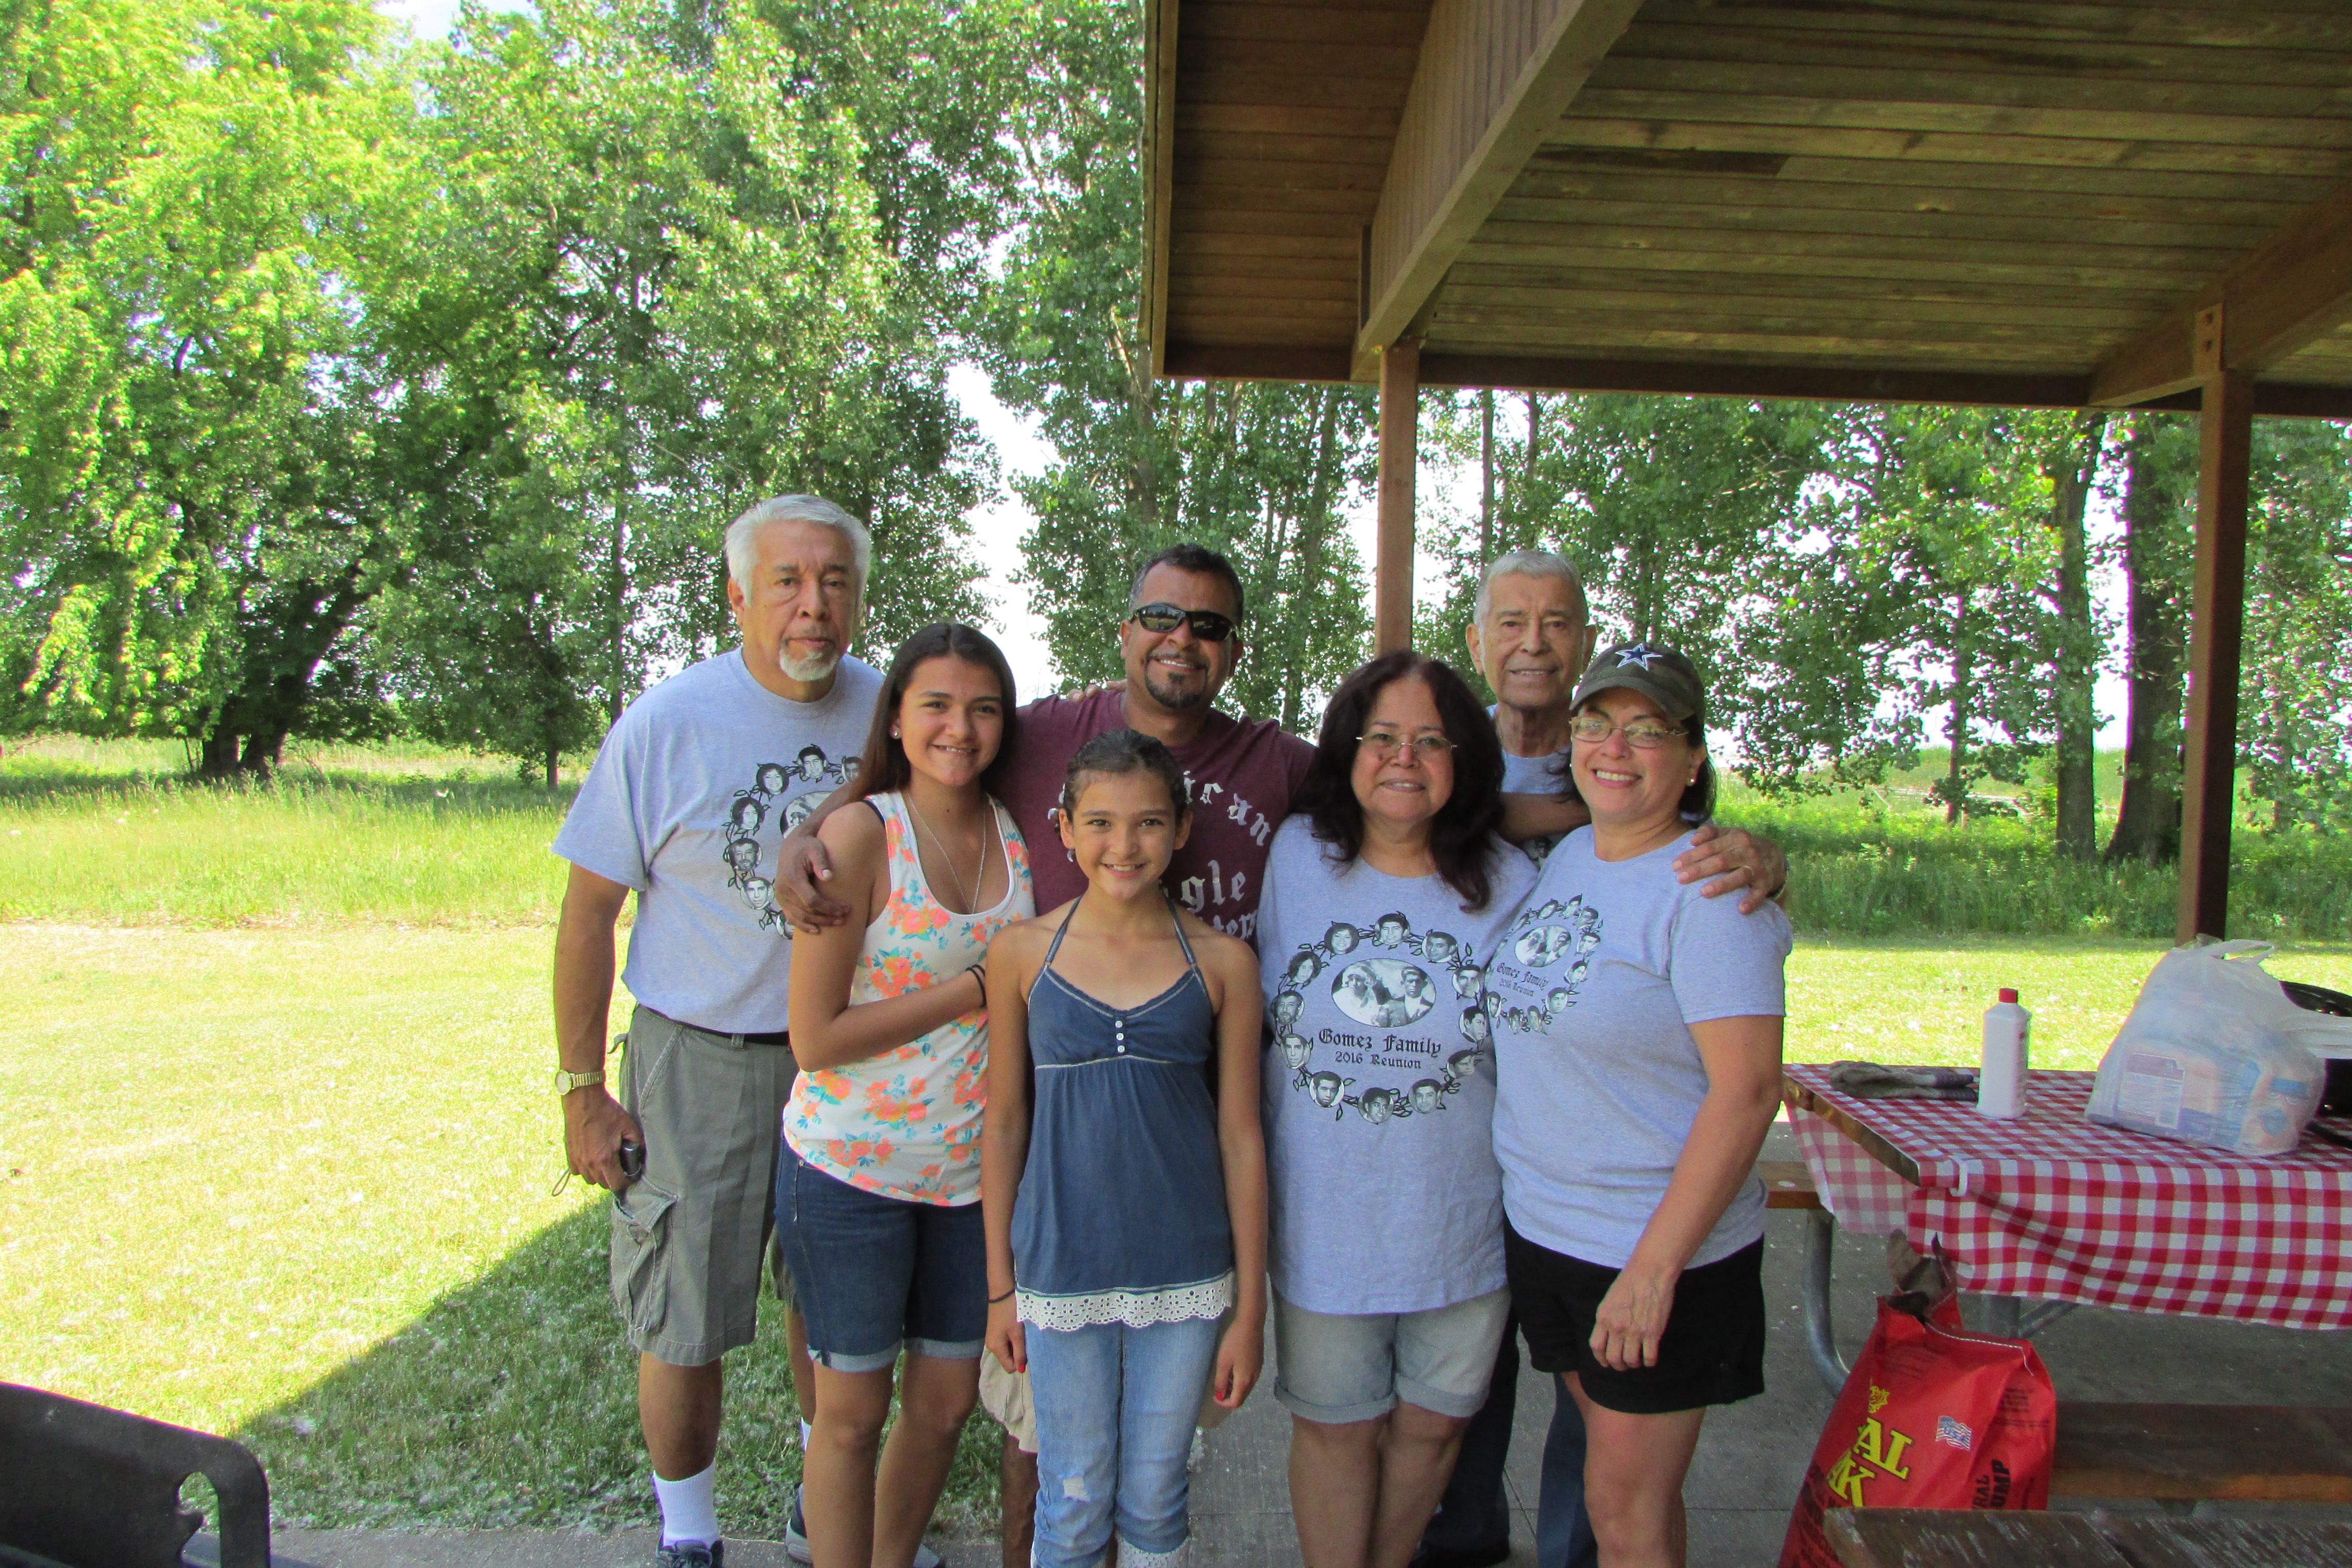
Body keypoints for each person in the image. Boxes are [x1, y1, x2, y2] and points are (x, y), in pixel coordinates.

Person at [775, 543, 1778, 1559]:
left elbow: (1428, 795)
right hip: (1060, 1154)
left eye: (1209, 626)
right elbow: (926, 753)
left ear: (1233, 650)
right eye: (1162, 617)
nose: (1182, 640)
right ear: (1125, 631)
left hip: (1300, 1172)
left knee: (1185, 1466)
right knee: (1050, 1457)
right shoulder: (1047, 737)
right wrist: (812, 835)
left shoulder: (1297, 782)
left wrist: (1700, 830)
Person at [551, 495, 881, 1567]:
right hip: (701, 1060)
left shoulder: (892, 717)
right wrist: (581, 1090)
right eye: (787, 581)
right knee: (682, 1314)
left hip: (853, 1061)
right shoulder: (668, 724)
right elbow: (588, 915)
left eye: (834, 581)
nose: (813, 605)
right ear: (738, 595)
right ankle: (688, 1537)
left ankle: (821, 1514)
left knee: (832, 1311)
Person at [1485, 643, 1791, 1568]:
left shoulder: (1711, 893)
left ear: (1692, 757)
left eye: (1647, 730)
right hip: (1552, 1233)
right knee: (1622, 1492)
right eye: (1596, 724)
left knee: (1625, 1510)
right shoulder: (1577, 851)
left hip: (1651, 1250)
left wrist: (1655, 1272)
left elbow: (1749, 1092)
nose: (1615, 748)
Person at [1259, 650, 1541, 1568]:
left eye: (1431, 740)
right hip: (1325, 1218)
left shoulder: (1513, 881)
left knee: (1432, 1429)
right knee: (1335, 1428)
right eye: (1381, 737)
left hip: (1460, 1217)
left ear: (1465, 760)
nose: (1404, 758)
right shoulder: (1294, 856)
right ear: (1347, 750)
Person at [775, 623, 1037, 1568]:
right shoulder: (861, 834)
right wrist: (973, 989)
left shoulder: (1016, 825)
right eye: (936, 705)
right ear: (895, 717)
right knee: (849, 1415)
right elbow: (815, 1038)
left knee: (945, 1404)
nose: (959, 729)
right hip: (850, 1171)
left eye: (983, 709)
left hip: (970, 1179)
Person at [981, 729, 1269, 1568]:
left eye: (1148, 822)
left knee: (1156, 1497)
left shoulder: (1223, 962)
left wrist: (1250, 1310)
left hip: (1187, 1271)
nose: (1124, 844)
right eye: (1101, 822)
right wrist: (1000, 1287)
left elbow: (1241, 1136)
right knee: (1072, 1500)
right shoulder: (1022, 953)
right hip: (1058, 1266)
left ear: (1182, 829)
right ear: (1065, 829)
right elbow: (1004, 1122)